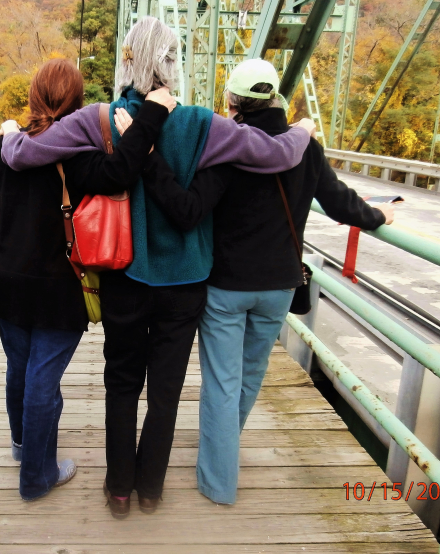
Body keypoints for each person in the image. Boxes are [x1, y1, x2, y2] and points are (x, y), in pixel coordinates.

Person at [0, 17, 317, 518]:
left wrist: (10, 134)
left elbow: (23, 155)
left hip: (124, 275)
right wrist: (302, 132)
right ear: (174, 62)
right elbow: (278, 154)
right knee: (166, 390)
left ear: (128, 59)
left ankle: (118, 491)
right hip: (187, 282)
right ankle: (151, 489)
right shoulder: (206, 125)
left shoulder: (98, 119)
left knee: (122, 385)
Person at [135, 57, 395, 505]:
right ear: (276, 97)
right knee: (250, 377)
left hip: (226, 285)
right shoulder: (306, 147)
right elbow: (339, 204)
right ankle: (223, 449)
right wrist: (378, 214)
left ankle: (218, 481)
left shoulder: (228, 147)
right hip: (279, 285)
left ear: (233, 101)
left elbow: (193, 206)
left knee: (221, 380)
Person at [0, 58, 176, 501]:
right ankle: (38, 477)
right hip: (59, 287)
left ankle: (24, 448)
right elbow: (123, 172)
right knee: (43, 381)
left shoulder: (3, 147)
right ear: (77, 102)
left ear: (34, 96)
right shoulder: (77, 156)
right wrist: (153, 114)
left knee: (19, 369)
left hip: (4, 282)